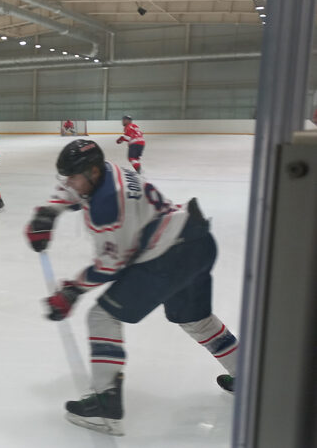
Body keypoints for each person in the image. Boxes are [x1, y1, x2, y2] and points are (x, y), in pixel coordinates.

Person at [25, 139, 238, 436]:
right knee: (196, 320)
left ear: (92, 172)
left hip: (170, 257)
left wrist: (72, 291)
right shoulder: (108, 171)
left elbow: (111, 265)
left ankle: (106, 406)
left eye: (73, 177)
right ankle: (247, 376)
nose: (69, 183)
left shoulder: (107, 206)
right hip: (197, 240)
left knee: (102, 317)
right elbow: (74, 191)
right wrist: (48, 213)